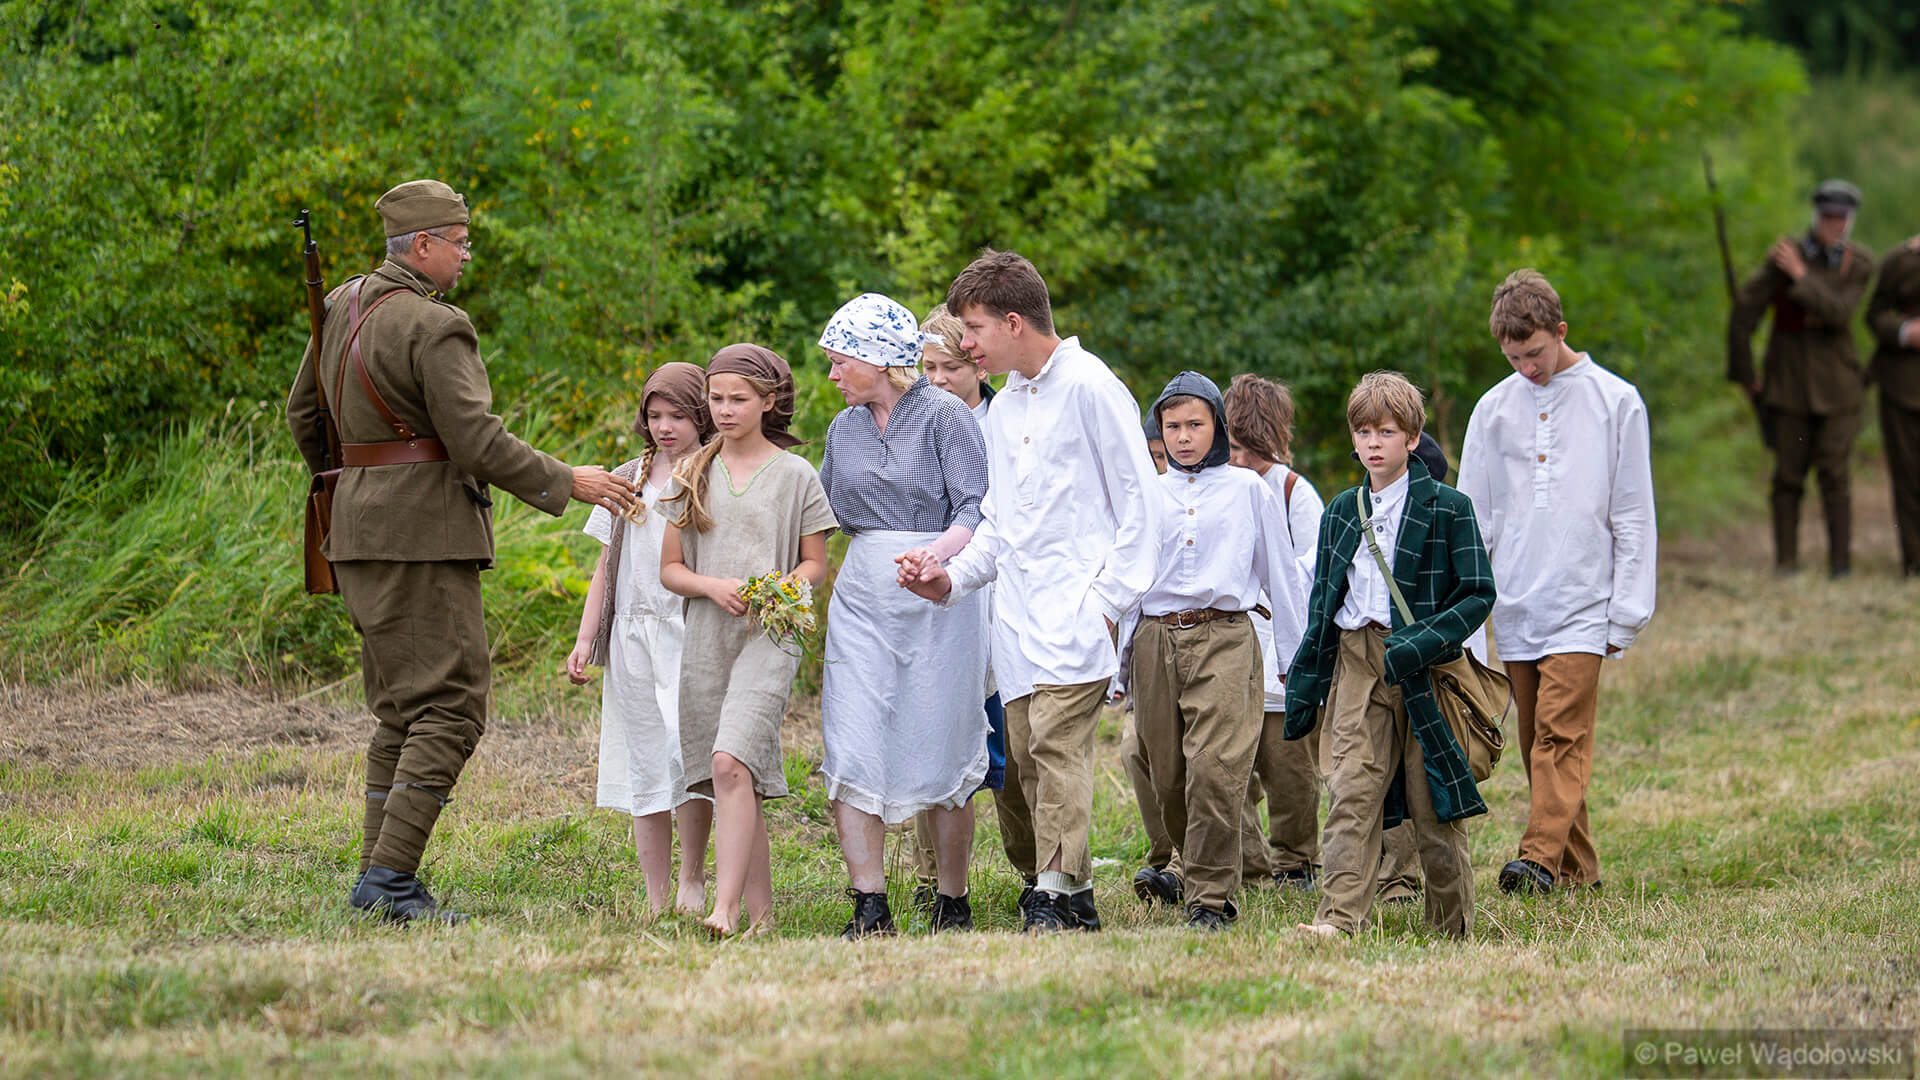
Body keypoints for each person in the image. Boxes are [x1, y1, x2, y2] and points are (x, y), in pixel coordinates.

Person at [287, 179, 637, 924]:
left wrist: (348, 489)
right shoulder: (435, 325)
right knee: (450, 708)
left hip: (350, 530)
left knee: (400, 711)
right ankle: (387, 882)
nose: (466, 254)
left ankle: (377, 878)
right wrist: (567, 481)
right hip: (422, 538)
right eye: (458, 241)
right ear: (422, 246)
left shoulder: (343, 303)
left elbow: (304, 414)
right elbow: (476, 442)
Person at [898, 249, 1165, 933]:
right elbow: (997, 527)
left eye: (974, 331)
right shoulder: (1007, 407)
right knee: (1023, 766)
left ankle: (1047, 892)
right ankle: (1075, 895)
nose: (967, 346)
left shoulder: (1091, 387)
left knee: (1055, 746)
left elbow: (1144, 510)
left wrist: (1108, 606)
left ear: (1013, 322)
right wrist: (949, 580)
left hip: (1079, 610)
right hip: (1015, 619)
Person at [1460, 269, 1657, 895]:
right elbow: (1475, 514)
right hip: (1516, 604)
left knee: (1558, 735)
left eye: (1536, 353)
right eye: (1513, 357)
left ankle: (1538, 859)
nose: (1526, 368)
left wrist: (1626, 611)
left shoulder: (1615, 401)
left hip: (1583, 599)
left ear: (1561, 332)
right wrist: (1467, 606)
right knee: (1535, 746)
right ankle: (1579, 873)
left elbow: (1632, 513)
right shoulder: (1492, 410)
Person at [1287, 371, 1493, 940]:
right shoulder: (1339, 512)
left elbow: (1478, 593)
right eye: (1363, 431)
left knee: (1432, 801)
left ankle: (1452, 925)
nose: (1373, 442)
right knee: (1351, 788)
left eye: (1386, 430)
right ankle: (1338, 920)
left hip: (1426, 665)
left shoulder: (1449, 507)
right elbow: (1324, 605)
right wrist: (1310, 677)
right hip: (1358, 661)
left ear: (1411, 437)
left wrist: (1422, 640)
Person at [816, 294, 991, 937]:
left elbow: (976, 509)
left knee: (942, 739)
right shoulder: (843, 430)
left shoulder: (946, 415)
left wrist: (935, 557)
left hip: (940, 594)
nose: (832, 375)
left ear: (880, 361)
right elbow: (826, 516)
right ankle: (870, 904)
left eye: (841, 362)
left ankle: (952, 901)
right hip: (864, 594)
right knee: (852, 736)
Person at [660, 344, 837, 937]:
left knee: (730, 760)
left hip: (772, 633)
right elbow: (671, 570)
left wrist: (782, 588)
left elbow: (815, 564)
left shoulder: (796, 477)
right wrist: (713, 587)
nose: (726, 409)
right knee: (737, 777)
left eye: (739, 399)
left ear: (769, 401)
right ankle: (760, 916)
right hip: (708, 635)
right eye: (716, 399)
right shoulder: (692, 473)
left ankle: (725, 909)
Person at [1131, 371, 1306, 930]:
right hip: (1155, 640)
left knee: (1216, 768)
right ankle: (1198, 864)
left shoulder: (1248, 490)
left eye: (1196, 424)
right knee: (1169, 776)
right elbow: (1128, 581)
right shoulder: (1146, 493)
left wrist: (1296, 661)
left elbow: (1281, 576)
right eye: (1172, 426)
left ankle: (1211, 896)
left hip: (1225, 635)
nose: (1183, 437)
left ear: (1218, 427)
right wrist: (1117, 668)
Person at [564, 362, 716, 916]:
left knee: (688, 755)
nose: (665, 426)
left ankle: (693, 877)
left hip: (687, 629)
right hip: (631, 634)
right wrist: (586, 639)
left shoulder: (712, 475)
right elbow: (607, 566)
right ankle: (655, 894)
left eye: (678, 414)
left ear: (701, 414)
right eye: (654, 415)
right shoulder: (628, 477)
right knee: (646, 758)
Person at [908, 304, 1023, 916]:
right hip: (939, 588)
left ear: (976, 365)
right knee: (938, 733)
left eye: (950, 366)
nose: (939, 379)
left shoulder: (1005, 420)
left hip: (999, 588)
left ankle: (1034, 868)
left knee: (1010, 741)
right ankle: (934, 879)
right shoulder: (913, 423)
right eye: (927, 368)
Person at [1728, 180, 1876, 577]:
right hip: (1789, 385)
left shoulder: (1858, 262)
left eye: (1841, 218)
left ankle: (1840, 568)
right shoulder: (1783, 258)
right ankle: (1786, 564)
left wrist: (1800, 275)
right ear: (1817, 216)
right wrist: (1747, 377)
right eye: (1828, 217)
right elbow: (1744, 314)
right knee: (1787, 478)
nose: (1834, 225)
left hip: (1840, 388)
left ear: (1849, 221)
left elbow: (1840, 313)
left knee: (1835, 476)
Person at [1222, 373, 1324, 892]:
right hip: (1234, 655)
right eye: (1231, 447)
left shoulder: (1293, 494)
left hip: (1283, 655)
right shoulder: (1222, 487)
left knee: (1290, 772)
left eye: (1245, 449)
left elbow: (1309, 575)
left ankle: (1296, 859)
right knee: (1233, 770)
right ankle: (1251, 863)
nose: (1236, 459)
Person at [1123, 415, 1184, 908]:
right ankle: (1166, 849)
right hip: (1145, 652)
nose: (1159, 466)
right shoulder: (1134, 503)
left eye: (1163, 456)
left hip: (1204, 643)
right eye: (1152, 456)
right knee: (1134, 749)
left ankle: (1188, 864)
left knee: (1201, 760)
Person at [1866, 233, 1920, 578]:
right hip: (1904, 383)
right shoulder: (1900, 260)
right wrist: (1905, 331)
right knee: (1909, 475)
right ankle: (1915, 560)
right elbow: (1874, 314)